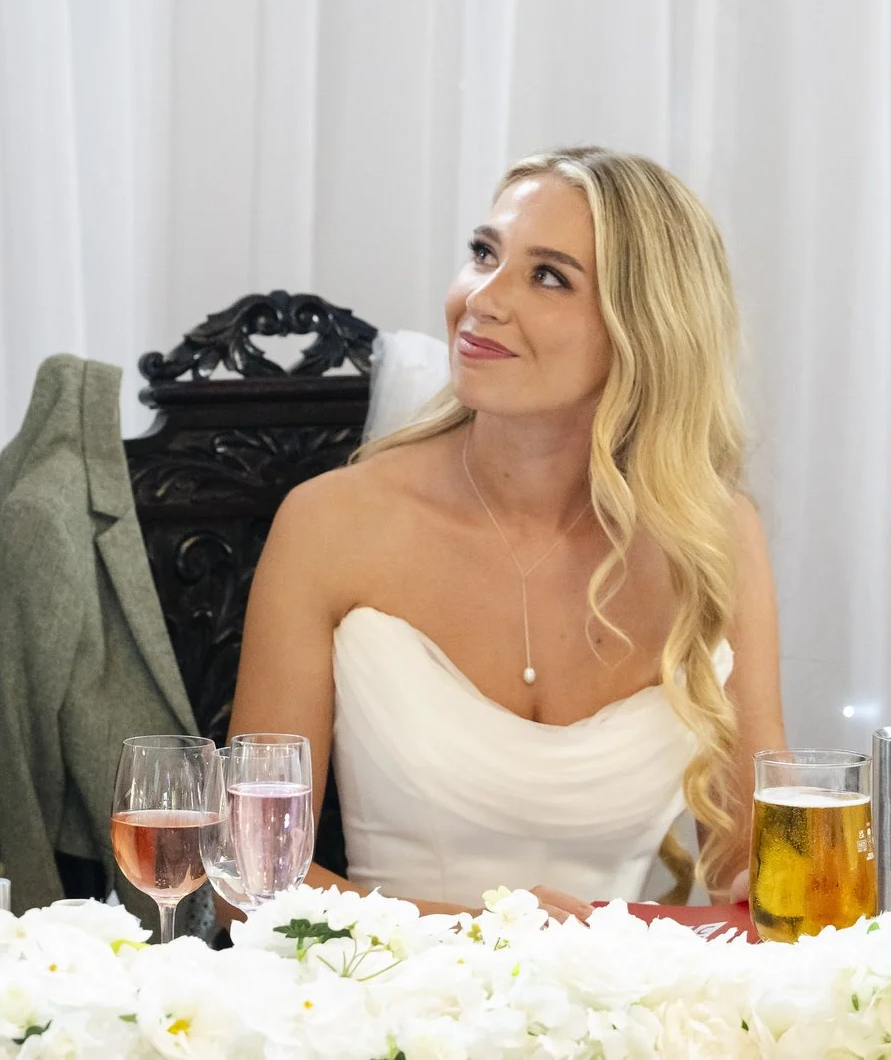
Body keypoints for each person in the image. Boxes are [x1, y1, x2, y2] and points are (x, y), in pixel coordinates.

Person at [230, 148, 785, 915]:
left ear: (645, 329)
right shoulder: (331, 523)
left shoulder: (715, 537)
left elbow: (755, 868)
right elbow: (253, 877)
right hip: (390, 1003)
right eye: (484, 254)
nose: (481, 299)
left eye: (548, 275)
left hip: (622, 1016)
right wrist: (481, 936)